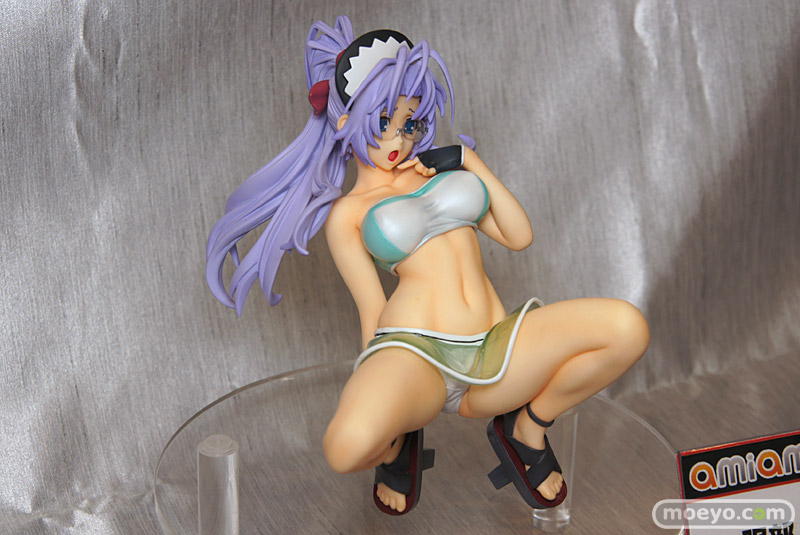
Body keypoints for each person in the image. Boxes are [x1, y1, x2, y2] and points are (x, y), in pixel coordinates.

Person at [206, 15, 650, 515]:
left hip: (495, 348)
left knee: (627, 329)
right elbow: (371, 309)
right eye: (384, 123)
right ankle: (397, 446)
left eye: (411, 122)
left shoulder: (436, 170)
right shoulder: (348, 214)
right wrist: (382, 395)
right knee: (345, 447)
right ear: (345, 121)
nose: (400, 139)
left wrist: (469, 161)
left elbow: (519, 236)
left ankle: (526, 427)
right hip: (414, 354)